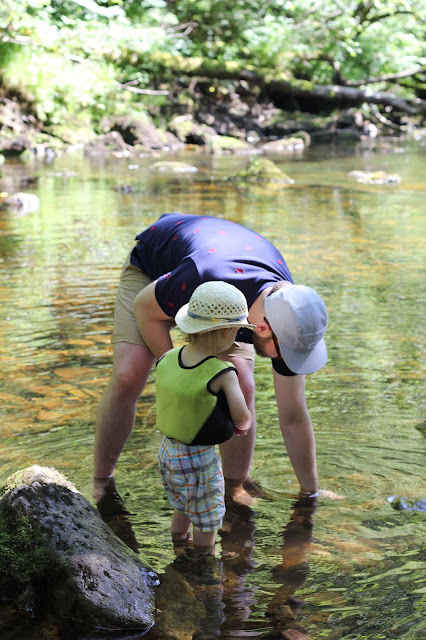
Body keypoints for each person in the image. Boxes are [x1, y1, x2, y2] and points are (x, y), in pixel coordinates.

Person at [94, 212, 328, 507]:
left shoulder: (292, 316)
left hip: (230, 297)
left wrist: (310, 493)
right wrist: (176, 369)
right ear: (264, 329)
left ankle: (234, 487)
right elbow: (145, 308)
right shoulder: (204, 273)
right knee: (130, 373)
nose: (290, 361)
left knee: (241, 382)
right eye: (287, 353)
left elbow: (293, 415)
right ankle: (101, 482)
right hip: (156, 271)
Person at [156, 281, 254, 555]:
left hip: (168, 452)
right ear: (225, 332)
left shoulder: (167, 357)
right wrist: (242, 425)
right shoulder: (223, 372)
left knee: (182, 505)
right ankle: (203, 565)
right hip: (199, 459)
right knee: (208, 517)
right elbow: (243, 417)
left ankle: (178, 546)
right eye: (236, 331)